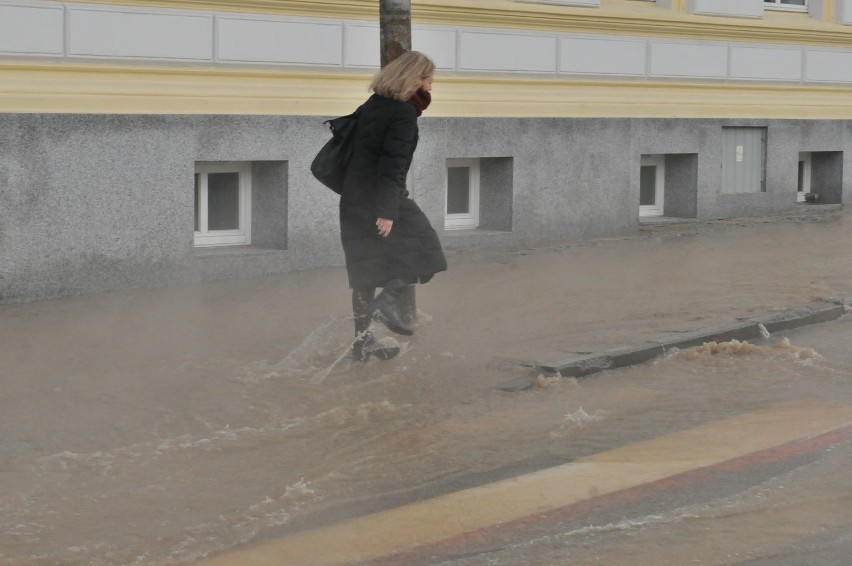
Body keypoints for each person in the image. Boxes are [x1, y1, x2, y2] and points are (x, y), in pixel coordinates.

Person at [339, 50, 448, 361]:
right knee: (426, 248)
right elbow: (392, 165)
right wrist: (387, 212)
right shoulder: (403, 114)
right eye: (428, 80)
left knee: (365, 273)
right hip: (381, 199)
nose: (430, 87)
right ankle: (388, 301)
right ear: (414, 80)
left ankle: (361, 347)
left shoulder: (373, 105)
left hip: (353, 199)